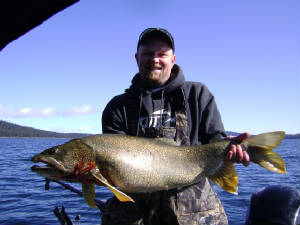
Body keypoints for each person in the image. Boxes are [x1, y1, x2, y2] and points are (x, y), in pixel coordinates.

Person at [101, 28, 250, 225]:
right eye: (147, 53)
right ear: (137, 58)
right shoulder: (117, 107)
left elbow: (215, 139)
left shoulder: (197, 94)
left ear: (173, 59)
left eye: (162, 54)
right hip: (134, 216)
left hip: (194, 214)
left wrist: (230, 148)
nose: (154, 59)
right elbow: (111, 167)